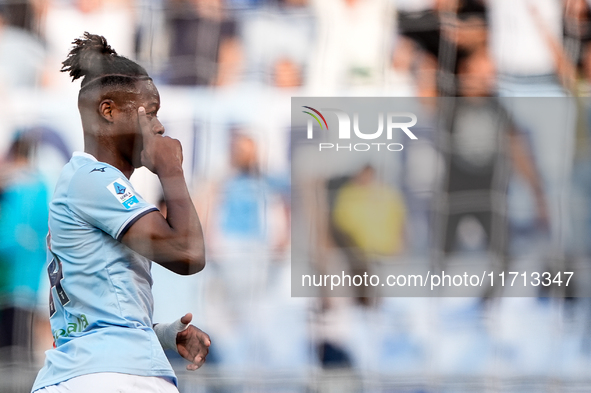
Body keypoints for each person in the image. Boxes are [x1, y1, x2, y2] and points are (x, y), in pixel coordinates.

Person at [31, 33, 210, 393]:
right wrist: (171, 170)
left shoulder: (83, 184)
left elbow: (92, 313)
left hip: (83, 372)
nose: (159, 126)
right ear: (108, 111)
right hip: (111, 378)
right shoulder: (94, 180)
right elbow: (188, 254)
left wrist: (157, 334)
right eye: (151, 111)